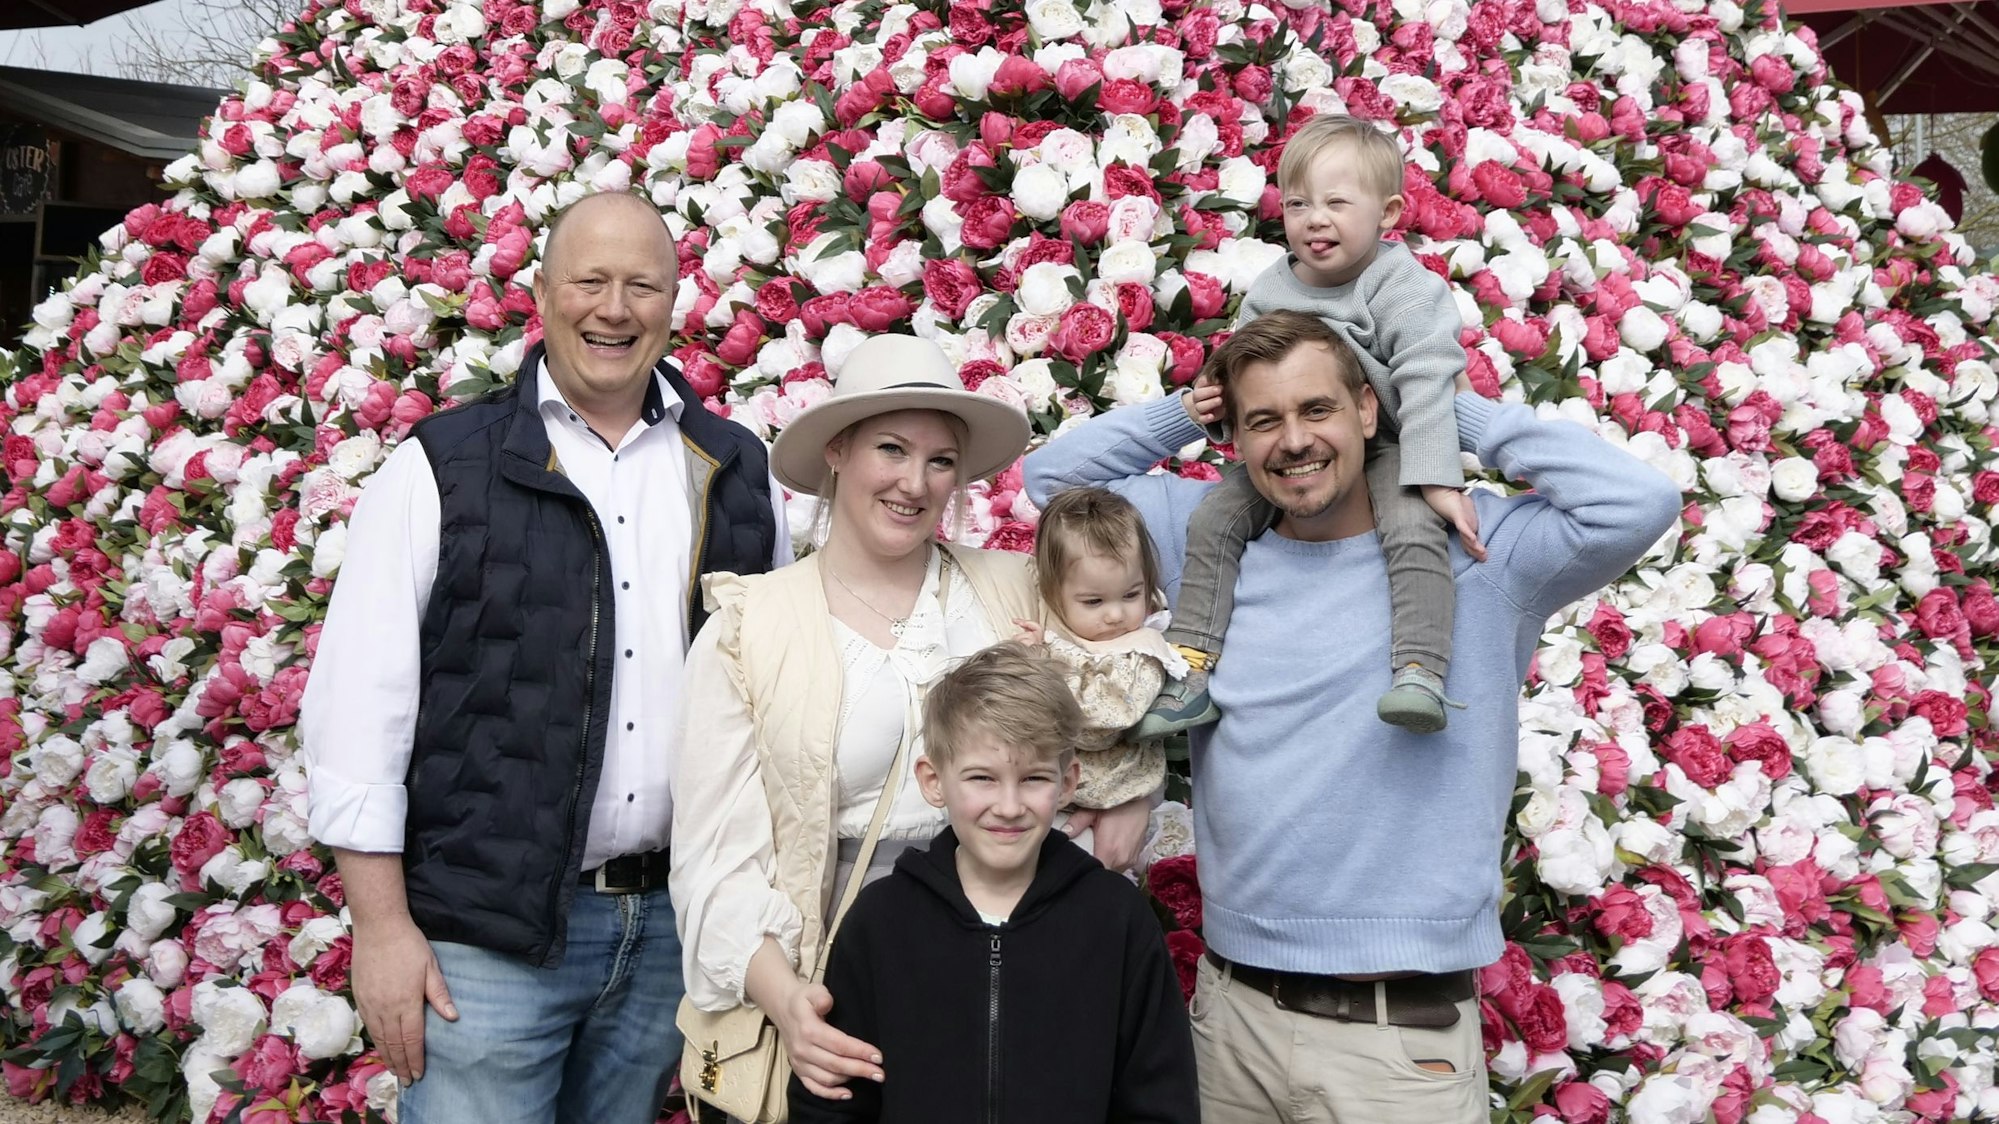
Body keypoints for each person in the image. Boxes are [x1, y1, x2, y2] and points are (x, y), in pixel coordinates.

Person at [1025, 310, 1682, 1123]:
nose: (1292, 440)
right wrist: (1179, 409)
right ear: (1233, 434)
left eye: (1317, 409)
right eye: (1262, 419)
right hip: (1231, 1025)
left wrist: (1440, 410)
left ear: (1368, 410)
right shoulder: (1204, 544)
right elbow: (1054, 486)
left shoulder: (1474, 549)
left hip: (1397, 1050)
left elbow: (1639, 499)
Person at [299, 191, 789, 1124]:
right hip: (488, 946)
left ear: (675, 302)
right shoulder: (444, 466)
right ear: (540, 293)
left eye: (642, 285)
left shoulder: (734, 469)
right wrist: (382, 930)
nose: (615, 309)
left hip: (669, 934)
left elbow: (774, 690)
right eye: (590, 281)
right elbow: (359, 713)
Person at [670, 334, 1161, 1109]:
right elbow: (712, 861)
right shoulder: (747, 628)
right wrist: (789, 1004)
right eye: (891, 449)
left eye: (940, 460)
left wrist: (1132, 794)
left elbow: (1123, 685)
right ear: (836, 450)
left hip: (1021, 959)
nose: (915, 482)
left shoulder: (1021, 593)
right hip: (835, 982)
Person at [1143, 113, 1483, 740]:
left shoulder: (1406, 287)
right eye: (1298, 203)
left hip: (1392, 441)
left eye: (1335, 203)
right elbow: (1247, 367)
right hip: (1300, 446)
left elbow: (1428, 379)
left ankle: (1419, 670)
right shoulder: (1273, 286)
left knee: (1412, 526)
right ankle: (1191, 665)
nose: (1313, 219)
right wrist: (1214, 403)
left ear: (1386, 214)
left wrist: (1436, 477)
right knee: (1216, 518)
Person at [787, 642, 1199, 1123]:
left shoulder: (1116, 919)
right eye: (982, 778)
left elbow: (1161, 1099)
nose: (1008, 806)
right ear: (933, 780)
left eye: (1033, 779)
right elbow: (832, 1096)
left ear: (1068, 783)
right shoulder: (881, 921)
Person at [1019, 486, 1183, 812]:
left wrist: (1042, 667)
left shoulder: (1140, 653)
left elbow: (1101, 728)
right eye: (1094, 601)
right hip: (1051, 790)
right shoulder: (1059, 627)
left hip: (1109, 791)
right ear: (1052, 591)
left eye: (1131, 595)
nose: (1115, 615)